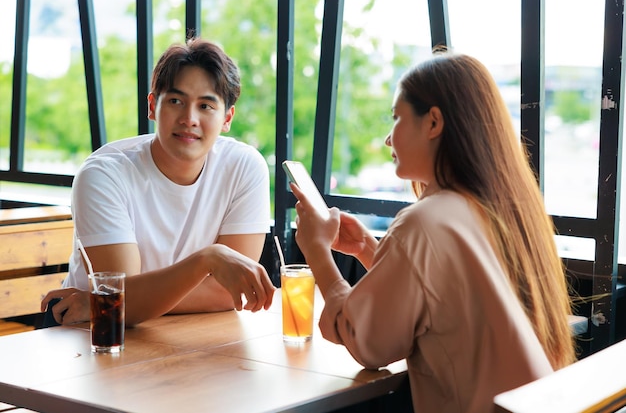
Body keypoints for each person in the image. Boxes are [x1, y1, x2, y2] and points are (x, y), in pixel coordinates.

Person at [290, 50, 576, 413]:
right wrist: (368, 248)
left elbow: (368, 343)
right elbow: (442, 299)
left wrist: (316, 251)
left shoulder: (425, 221)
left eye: (396, 118)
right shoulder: (501, 210)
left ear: (433, 122)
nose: (387, 139)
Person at [41, 37, 275, 327]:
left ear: (227, 118)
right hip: (94, 334)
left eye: (205, 106)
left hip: (179, 333)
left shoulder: (244, 167)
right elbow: (118, 301)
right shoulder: (104, 175)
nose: (189, 118)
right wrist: (208, 260)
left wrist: (108, 303)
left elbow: (233, 294)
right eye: (176, 101)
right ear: (152, 106)